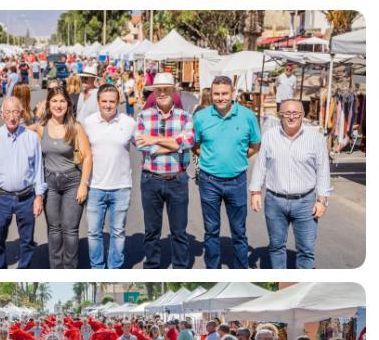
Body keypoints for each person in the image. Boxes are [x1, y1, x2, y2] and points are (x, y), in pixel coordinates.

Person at [250, 99, 332, 269]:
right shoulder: (270, 136)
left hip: (305, 203)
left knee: (306, 249)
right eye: (287, 113)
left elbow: (323, 170)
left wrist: (322, 200)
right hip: (274, 201)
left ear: (302, 115)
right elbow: (261, 166)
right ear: (280, 115)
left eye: (296, 113)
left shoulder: (315, 138)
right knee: (276, 246)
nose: (292, 116)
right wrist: (255, 191)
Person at [193, 76, 261, 269]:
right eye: (216, 94)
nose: (220, 97)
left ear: (233, 94)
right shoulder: (201, 117)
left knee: (239, 230)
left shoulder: (247, 116)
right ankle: (212, 270)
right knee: (211, 230)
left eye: (224, 93)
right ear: (211, 94)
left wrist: (237, 157)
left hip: (237, 180)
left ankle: (241, 270)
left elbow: (255, 145)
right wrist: (211, 158)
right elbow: (195, 146)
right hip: (209, 181)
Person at [136, 73, 195, 269]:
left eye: (166, 89)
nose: (162, 93)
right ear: (154, 92)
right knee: (152, 231)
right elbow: (142, 145)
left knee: (179, 231)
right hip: (151, 179)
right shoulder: (143, 116)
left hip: (177, 179)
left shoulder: (185, 117)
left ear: (173, 91)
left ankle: (180, 268)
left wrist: (154, 139)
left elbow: (189, 142)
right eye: (158, 90)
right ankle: (152, 267)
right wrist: (173, 144)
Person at [0, 96, 46, 269]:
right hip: (0, 197)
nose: (12, 117)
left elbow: (38, 168)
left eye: (15, 112)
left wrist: (39, 197)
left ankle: (23, 271)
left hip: (26, 197)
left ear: (21, 114)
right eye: (8, 112)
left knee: (27, 241)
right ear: (2, 114)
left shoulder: (31, 138)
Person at [82, 84, 137, 269]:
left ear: (118, 102)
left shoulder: (128, 123)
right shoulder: (87, 123)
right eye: (104, 101)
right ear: (98, 101)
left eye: (112, 101)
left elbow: (144, 145)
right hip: (95, 186)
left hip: (121, 186)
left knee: (118, 232)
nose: (108, 105)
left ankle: (115, 268)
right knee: (94, 233)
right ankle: (97, 268)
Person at [36, 87, 92, 269]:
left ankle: (70, 269)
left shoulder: (75, 127)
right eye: (54, 101)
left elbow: (88, 156)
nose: (58, 105)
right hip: (49, 182)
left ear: (68, 104)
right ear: (48, 104)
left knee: (69, 229)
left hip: (72, 182)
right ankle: (56, 269)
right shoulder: (41, 128)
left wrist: (83, 184)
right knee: (54, 230)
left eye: (62, 101)